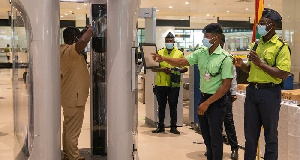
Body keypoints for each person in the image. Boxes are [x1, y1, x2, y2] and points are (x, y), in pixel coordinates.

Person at [152, 23, 234, 160]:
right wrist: (164, 58)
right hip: (204, 99)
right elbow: (181, 61)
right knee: (206, 135)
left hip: (217, 101)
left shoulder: (225, 58)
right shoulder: (201, 52)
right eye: (204, 36)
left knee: (215, 136)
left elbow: (225, 86)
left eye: (207, 37)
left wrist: (207, 103)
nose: (204, 39)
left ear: (216, 38)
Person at [234, 8, 291, 160]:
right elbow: (251, 70)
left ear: (272, 25)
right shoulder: (256, 44)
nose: (260, 26)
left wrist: (260, 63)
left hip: (270, 93)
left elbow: (283, 73)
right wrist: (242, 65)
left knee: (270, 135)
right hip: (252, 92)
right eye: (259, 23)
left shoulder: (281, 47)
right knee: (250, 136)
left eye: (263, 23)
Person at [60, 26, 93, 160]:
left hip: (69, 97)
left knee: (68, 129)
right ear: (74, 39)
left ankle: (68, 154)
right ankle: (73, 157)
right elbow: (81, 43)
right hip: (75, 98)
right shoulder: (70, 51)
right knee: (73, 132)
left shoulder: (62, 50)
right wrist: (90, 31)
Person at [151, 32, 188, 135]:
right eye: (167, 41)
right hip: (161, 84)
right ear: (165, 42)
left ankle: (173, 127)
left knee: (173, 105)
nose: (169, 43)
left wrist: (173, 71)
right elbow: (153, 68)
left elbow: (184, 68)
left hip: (174, 84)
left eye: (170, 41)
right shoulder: (159, 52)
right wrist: (163, 69)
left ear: (174, 41)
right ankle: (161, 126)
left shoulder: (179, 53)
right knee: (161, 106)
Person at [221, 34, 239, 160]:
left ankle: (234, 148)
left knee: (228, 121)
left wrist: (233, 92)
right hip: (211, 93)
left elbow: (233, 76)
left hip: (225, 94)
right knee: (213, 123)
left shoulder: (228, 57)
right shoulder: (207, 56)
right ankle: (212, 148)